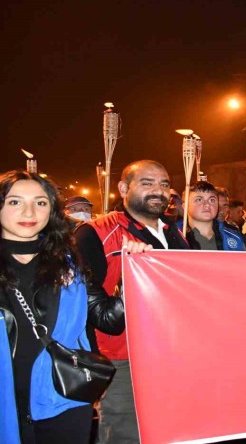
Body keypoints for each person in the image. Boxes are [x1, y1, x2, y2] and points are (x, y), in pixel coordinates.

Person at [0, 170, 125, 444]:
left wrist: (133, 274)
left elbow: (106, 318)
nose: (29, 211)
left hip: (62, 399)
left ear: (52, 210)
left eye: (40, 202)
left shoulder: (68, 264)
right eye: (15, 202)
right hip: (6, 402)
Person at [74, 160, 189, 444]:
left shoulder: (175, 233)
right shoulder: (95, 233)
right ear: (124, 188)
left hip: (174, 352)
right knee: (125, 433)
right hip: (123, 358)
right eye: (147, 183)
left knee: (171, 429)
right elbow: (93, 310)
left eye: (164, 184)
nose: (158, 191)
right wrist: (130, 277)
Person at [177, 181, 245, 251]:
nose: (207, 204)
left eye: (212, 200)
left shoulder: (233, 237)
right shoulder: (175, 236)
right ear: (185, 206)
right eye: (199, 200)